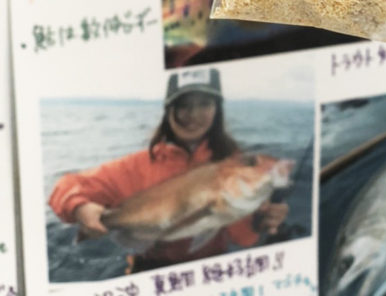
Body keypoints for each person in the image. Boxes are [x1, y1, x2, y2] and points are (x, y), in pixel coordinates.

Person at [48, 67, 289, 273]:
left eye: (204, 104)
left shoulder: (231, 164)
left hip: (212, 272)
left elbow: (243, 237)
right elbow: (65, 186)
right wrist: (80, 208)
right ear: (168, 110)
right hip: (153, 272)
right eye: (184, 105)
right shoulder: (137, 166)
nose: (193, 115)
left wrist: (260, 222)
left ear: (217, 109)